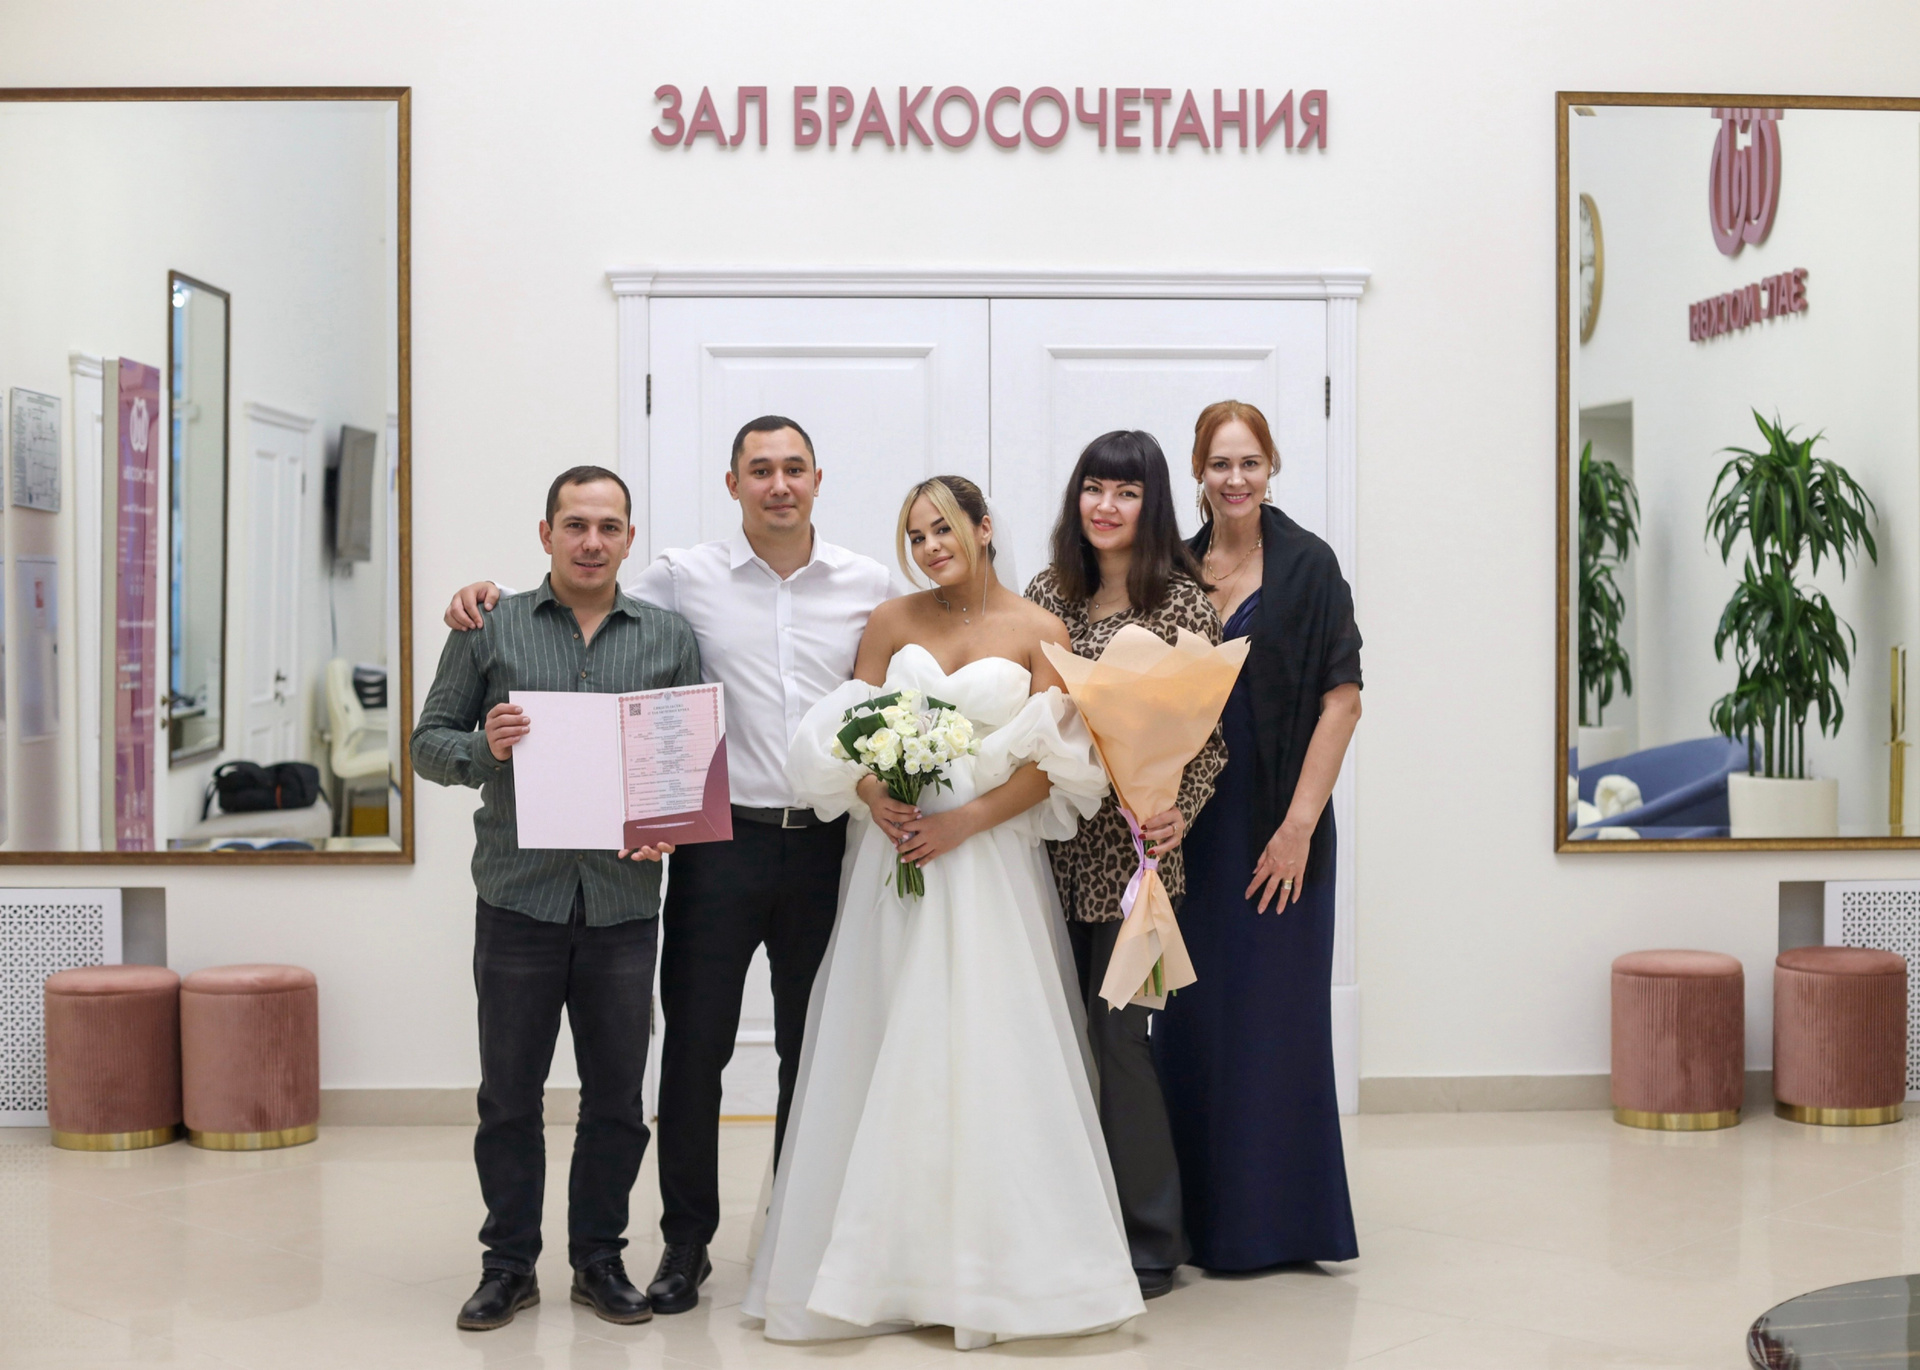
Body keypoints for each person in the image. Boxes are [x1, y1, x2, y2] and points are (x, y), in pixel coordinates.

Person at [441, 416, 892, 1314]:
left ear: (817, 479)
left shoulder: (870, 586)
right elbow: (581, 602)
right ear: (732, 484)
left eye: (793, 468)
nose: (777, 484)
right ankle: (685, 1245)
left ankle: (802, 1237)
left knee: (816, 1051)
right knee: (690, 1057)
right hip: (717, 853)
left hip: (827, 846)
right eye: (759, 469)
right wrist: (477, 595)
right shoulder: (682, 581)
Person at [744, 476, 1142, 1349]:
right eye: (917, 536)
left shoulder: (1037, 630)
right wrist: (874, 792)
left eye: (944, 530)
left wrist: (963, 822)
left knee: (985, 1046)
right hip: (893, 864)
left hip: (986, 866)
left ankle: (992, 1273)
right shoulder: (891, 622)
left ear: (984, 528)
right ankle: (875, 1268)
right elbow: (846, 733)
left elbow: (1056, 766)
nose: (930, 548)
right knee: (884, 1038)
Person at [413, 465, 700, 1330]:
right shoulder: (488, 625)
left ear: (629, 539)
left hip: (622, 904)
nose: (591, 542)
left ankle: (598, 1260)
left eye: (609, 527)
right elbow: (427, 744)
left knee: (617, 1100)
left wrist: (669, 826)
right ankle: (507, 1265)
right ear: (546, 534)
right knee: (509, 1096)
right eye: (575, 524)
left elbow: (682, 770)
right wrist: (484, 749)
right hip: (518, 901)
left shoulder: (667, 636)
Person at [1153, 399, 1363, 1272]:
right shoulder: (1174, 567)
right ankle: (1188, 1223)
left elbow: (1342, 702)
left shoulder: (1310, 565)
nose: (1235, 479)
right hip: (1190, 828)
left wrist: (1297, 829)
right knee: (1194, 1016)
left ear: (1271, 467)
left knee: (1275, 1020)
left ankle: (1279, 1226)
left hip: (1281, 824)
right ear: (1197, 473)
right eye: (1219, 464)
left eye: (1250, 462)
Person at [1022, 431, 1225, 1300]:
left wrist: (1181, 808)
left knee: (1122, 1044)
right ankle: (1068, 1225)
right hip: (1042, 850)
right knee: (1052, 1041)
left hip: (1134, 863)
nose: (1106, 506)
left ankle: (1151, 1236)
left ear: (1153, 505)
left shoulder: (1181, 602)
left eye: (1127, 492)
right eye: (1094, 488)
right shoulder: (1045, 594)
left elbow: (1209, 737)